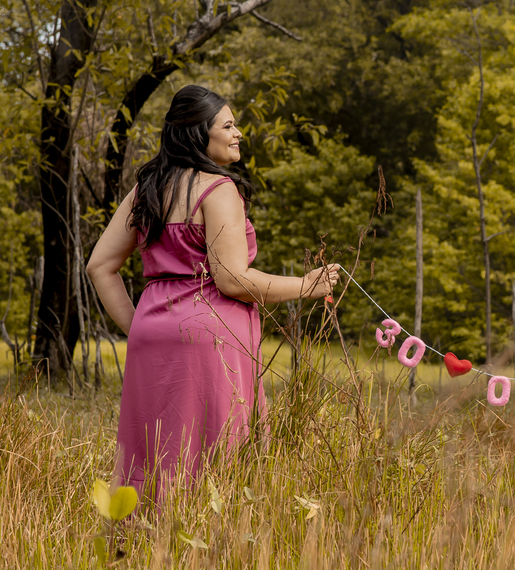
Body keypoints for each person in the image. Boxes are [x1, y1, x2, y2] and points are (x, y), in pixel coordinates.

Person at [87, 85, 339, 500]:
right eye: (228, 125)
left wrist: (142, 328)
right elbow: (232, 280)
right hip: (210, 337)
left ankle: (142, 535)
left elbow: (99, 266)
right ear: (198, 133)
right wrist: (306, 285)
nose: (238, 133)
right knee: (216, 460)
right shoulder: (219, 190)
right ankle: (207, 538)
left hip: (152, 336)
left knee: (152, 456)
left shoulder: (146, 188)